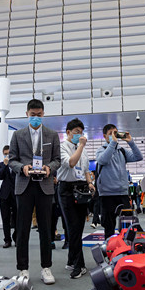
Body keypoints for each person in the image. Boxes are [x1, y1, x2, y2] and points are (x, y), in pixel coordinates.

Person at [7, 99, 61, 284]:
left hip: (45, 185)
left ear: (43, 114)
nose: (36, 118)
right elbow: (12, 160)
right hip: (24, 185)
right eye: (33, 115)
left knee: (46, 229)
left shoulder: (52, 135)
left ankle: (46, 268)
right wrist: (22, 167)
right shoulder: (18, 135)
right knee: (22, 229)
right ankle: (22, 268)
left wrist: (49, 168)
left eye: (39, 115)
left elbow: (57, 160)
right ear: (27, 114)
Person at [57, 118, 95, 279]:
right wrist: (80, 145)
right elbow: (71, 163)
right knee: (72, 227)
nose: (79, 135)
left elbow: (85, 169)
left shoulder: (83, 149)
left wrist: (90, 183)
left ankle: (72, 260)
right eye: (76, 132)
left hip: (81, 189)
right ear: (68, 133)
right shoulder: (62, 147)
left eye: (81, 132)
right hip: (66, 188)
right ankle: (79, 265)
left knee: (78, 227)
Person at [95, 124, 144, 238]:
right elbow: (103, 160)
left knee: (128, 227)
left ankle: (127, 251)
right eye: (111, 133)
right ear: (104, 136)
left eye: (116, 133)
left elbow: (139, 157)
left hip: (122, 193)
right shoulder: (100, 150)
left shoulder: (122, 151)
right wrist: (112, 143)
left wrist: (130, 142)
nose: (114, 136)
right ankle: (110, 252)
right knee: (109, 228)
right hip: (107, 195)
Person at [0, 145, 17, 248]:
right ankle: (7, 240)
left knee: (18, 218)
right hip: (4, 194)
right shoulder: (1, 164)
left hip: (16, 194)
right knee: (5, 218)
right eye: (5, 153)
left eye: (8, 153)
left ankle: (16, 238)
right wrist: (5, 165)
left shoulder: (17, 165)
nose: (7, 155)